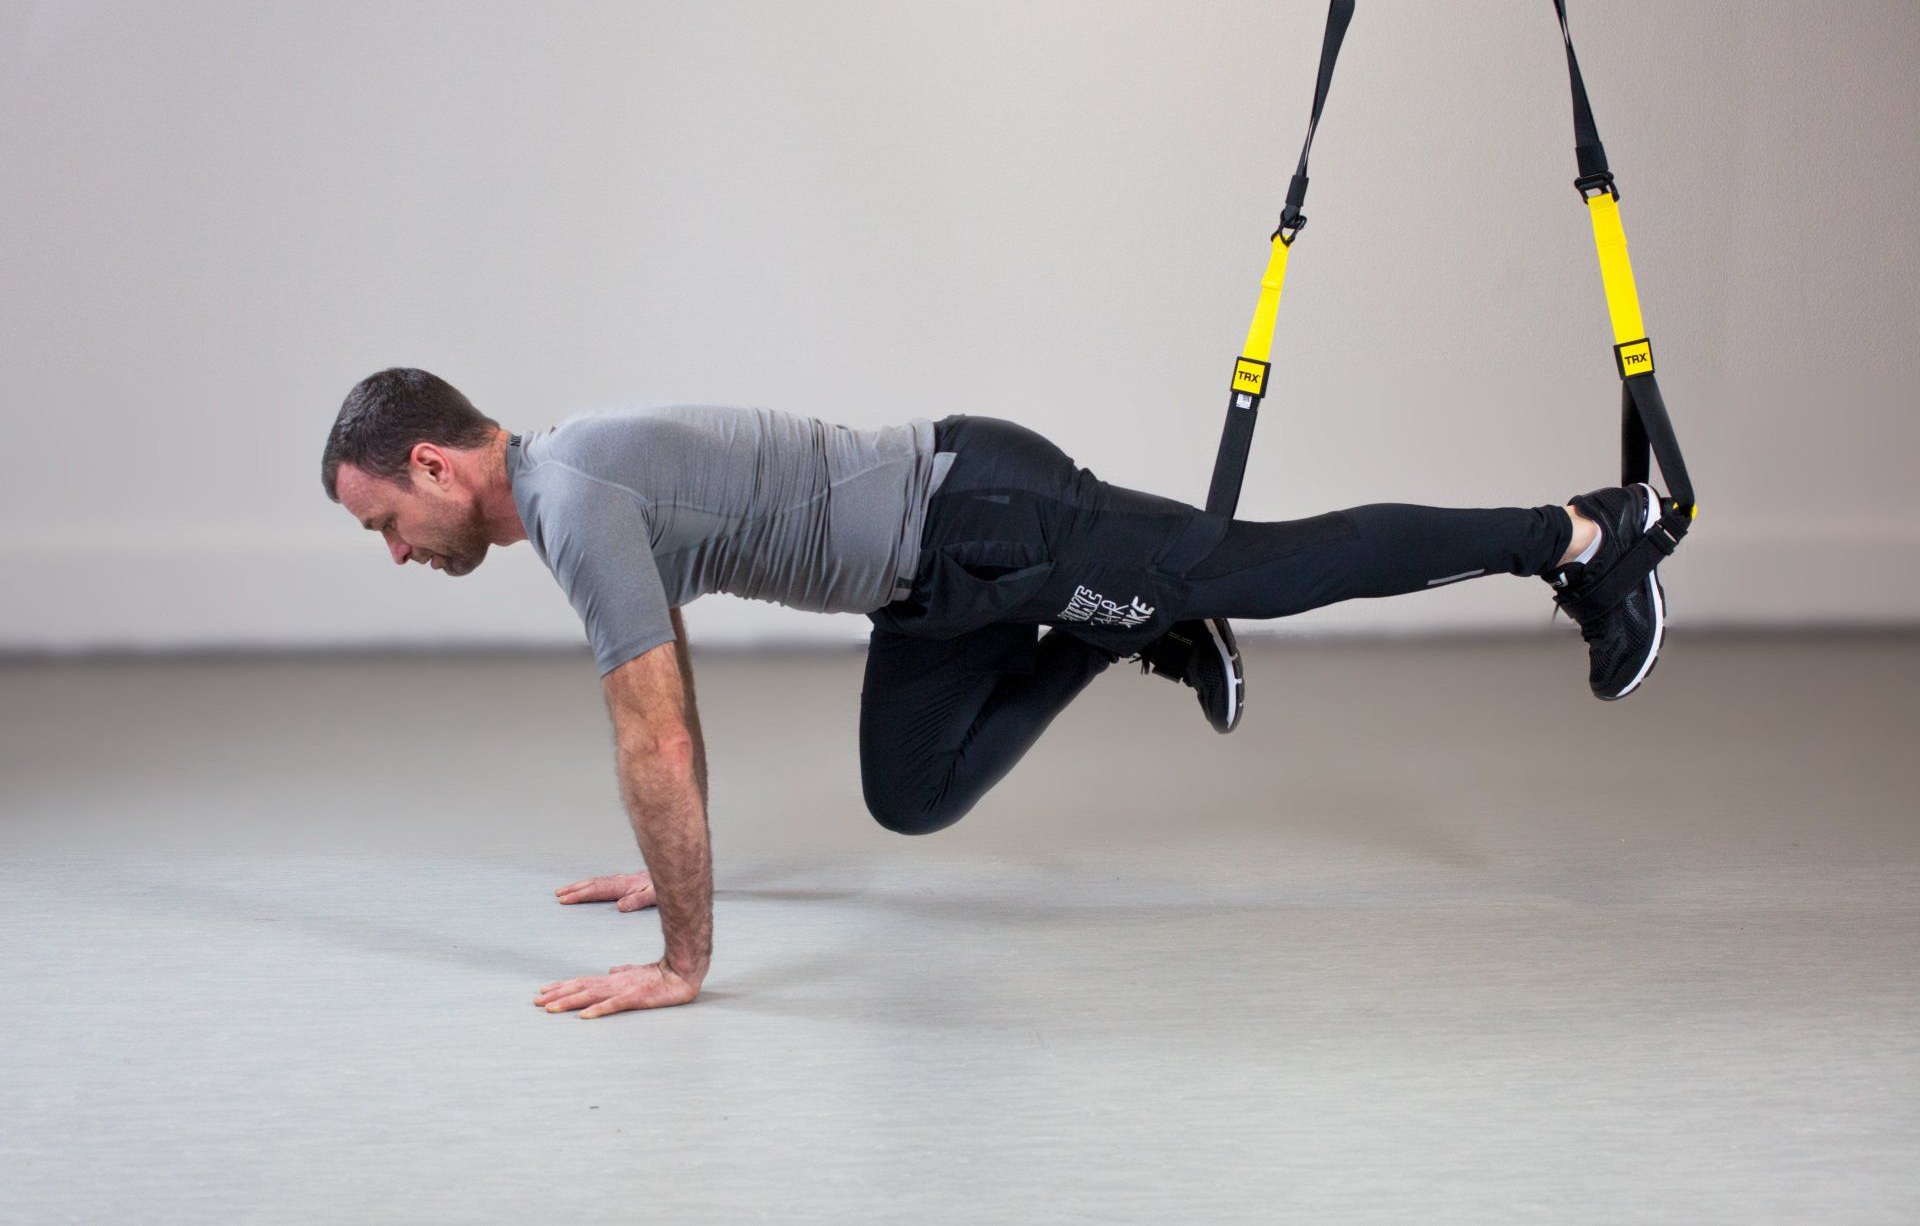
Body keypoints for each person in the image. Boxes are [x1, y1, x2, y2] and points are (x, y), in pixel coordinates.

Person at [320, 367, 1669, 1018]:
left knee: (1280, 568)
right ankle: (1134, 625)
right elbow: (663, 689)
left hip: (986, 513)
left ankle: (1577, 538)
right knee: (912, 795)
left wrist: (684, 961)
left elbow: (655, 740)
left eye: (384, 523)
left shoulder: (572, 499)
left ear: (435, 466)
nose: (394, 553)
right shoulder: (574, 493)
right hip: (930, 589)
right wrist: (665, 863)